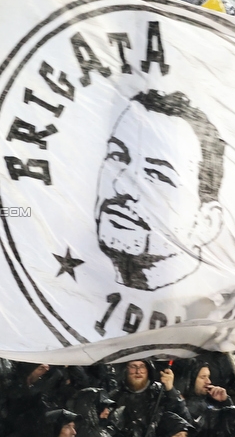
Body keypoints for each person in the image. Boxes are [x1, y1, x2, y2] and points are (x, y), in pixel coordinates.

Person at [96, 90, 224, 291]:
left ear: (207, 223)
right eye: (117, 157)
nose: (121, 184)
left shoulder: (216, 312)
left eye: (157, 174)